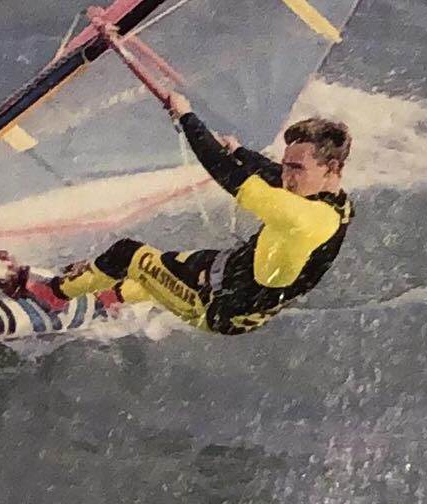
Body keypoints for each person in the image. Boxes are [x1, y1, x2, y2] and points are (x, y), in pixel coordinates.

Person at [26, 93, 353, 336]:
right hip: (233, 278)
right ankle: (112, 297)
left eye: (296, 168)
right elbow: (272, 174)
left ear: (332, 168)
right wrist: (241, 152)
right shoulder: (336, 204)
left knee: (127, 255)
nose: (287, 176)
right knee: (170, 265)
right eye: (286, 165)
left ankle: (52, 295)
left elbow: (226, 174)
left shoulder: (304, 218)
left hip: (215, 308)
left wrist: (187, 118)